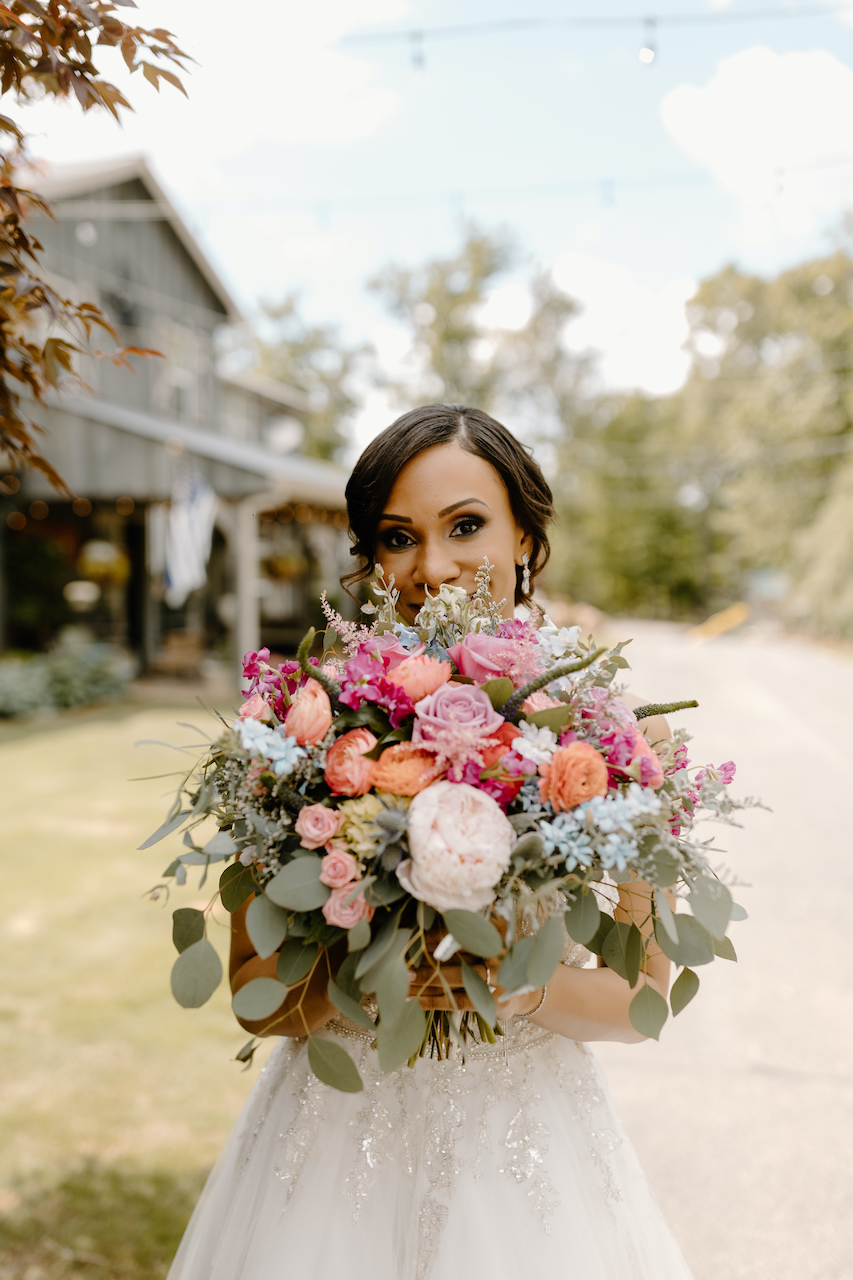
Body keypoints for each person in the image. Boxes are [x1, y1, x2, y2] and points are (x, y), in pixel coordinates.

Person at [167, 404, 694, 1280]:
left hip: (525, 1163)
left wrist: (509, 989)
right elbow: (256, 1000)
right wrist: (372, 975)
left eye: (465, 526)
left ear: (525, 534)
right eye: (397, 536)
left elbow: (641, 998)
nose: (433, 565)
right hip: (336, 1151)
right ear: (370, 558)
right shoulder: (308, 726)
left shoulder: (608, 738)